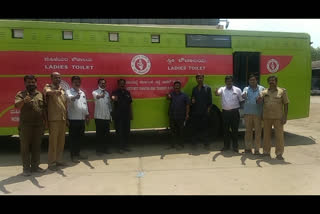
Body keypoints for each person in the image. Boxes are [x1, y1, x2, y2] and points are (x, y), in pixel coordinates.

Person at [15, 75, 46, 176]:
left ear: (36, 83)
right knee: (25, 148)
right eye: (29, 82)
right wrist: (24, 101)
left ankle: (35, 167)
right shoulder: (21, 94)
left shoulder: (40, 94)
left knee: (37, 147)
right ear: (25, 83)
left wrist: (45, 123)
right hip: (26, 126)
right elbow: (17, 105)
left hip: (38, 125)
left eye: (33, 82)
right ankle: (26, 169)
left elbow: (43, 109)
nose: (31, 84)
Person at [258, 76, 289, 160]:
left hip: (278, 117)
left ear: (276, 81)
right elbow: (259, 102)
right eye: (270, 80)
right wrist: (259, 99)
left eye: (273, 80)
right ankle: (266, 152)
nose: (272, 82)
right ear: (268, 82)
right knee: (266, 136)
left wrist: (285, 117)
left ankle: (279, 154)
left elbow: (286, 104)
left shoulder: (282, 91)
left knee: (279, 136)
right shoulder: (264, 92)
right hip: (266, 117)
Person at [43, 72, 68, 171]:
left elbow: (64, 103)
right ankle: (51, 163)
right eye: (56, 78)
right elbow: (47, 92)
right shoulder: (48, 87)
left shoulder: (62, 89)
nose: (58, 79)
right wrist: (55, 91)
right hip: (53, 119)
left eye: (59, 77)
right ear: (51, 78)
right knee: (53, 141)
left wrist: (67, 118)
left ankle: (59, 160)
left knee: (61, 141)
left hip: (62, 118)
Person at [215, 75, 244, 153]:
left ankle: (235, 147)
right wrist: (216, 92)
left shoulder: (237, 90)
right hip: (225, 113)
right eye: (227, 81)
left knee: (235, 130)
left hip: (235, 113)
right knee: (225, 130)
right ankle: (226, 146)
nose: (229, 82)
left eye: (230, 81)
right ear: (225, 82)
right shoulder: (222, 89)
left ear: (232, 82)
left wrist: (241, 111)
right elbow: (217, 93)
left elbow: (241, 100)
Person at [66, 76, 90, 163]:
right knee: (73, 139)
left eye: (78, 82)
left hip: (81, 119)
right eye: (75, 82)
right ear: (72, 83)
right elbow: (69, 98)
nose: (77, 83)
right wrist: (75, 97)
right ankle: (73, 156)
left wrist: (87, 115)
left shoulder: (82, 92)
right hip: (73, 119)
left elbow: (85, 104)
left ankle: (78, 153)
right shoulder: (68, 91)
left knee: (80, 138)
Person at [242, 74, 265, 155]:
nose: (252, 81)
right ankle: (248, 148)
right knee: (248, 132)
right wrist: (243, 96)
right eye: (250, 80)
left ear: (256, 80)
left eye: (253, 80)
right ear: (249, 81)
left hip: (258, 114)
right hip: (248, 113)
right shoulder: (246, 88)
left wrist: (260, 99)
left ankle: (257, 149)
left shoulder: (262, 88)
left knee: (258, 132)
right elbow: (243, 95)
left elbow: (264, 99)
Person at [190, 74, 212, 149]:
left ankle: (206, 144)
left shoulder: (207, 88)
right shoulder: (194, 89)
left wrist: (208, 111)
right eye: (198, 78)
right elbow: (192, 99)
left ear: (203, 79)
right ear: (196, 79)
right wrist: (192, 100)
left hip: (204, 112)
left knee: (205, 128)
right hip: (195, 112)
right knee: (194, 128)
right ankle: (194, 143)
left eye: (201, 78)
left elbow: (210, 101)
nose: (200, 79)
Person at [111, 79, 133, 154]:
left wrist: (131, 114)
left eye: (123, 83)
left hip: (126, 115)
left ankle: (125, 146)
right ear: (118, 84)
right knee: (119, 132)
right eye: (120, 83)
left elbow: (130, 104)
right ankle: (120, 148)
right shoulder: (115, 92)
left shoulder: (127, 92)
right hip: (118, 116)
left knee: (126, 131)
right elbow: (112, 99)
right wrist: (113, 98)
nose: (122, 85)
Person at [167, 81, 190, 149]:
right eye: (175, 86)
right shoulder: (171, 94)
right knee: (173, 131)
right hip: (172, 115)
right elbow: (168, 98)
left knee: (181, 131)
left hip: (181, 116)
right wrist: (168, 96)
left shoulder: (184, 95)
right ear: (174, 87)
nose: (177, 87)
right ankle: (173, 144)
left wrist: (187, 114)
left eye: (178, 85)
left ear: (180, 87)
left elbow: (188, 105)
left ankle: (181, 144)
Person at [92, 78, 112, 155]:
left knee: (106, 134)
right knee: (99, 135)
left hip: (106, 117)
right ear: (98, 84)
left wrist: (110, 116)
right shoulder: (95, 92)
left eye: (104, 83)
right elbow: (97, 97)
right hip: (99, 117)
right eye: (101, 83)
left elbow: (109, 105)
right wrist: (101, 95)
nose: (103, 84)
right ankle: (98, 150)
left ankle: (106, 149)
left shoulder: (107, 93)